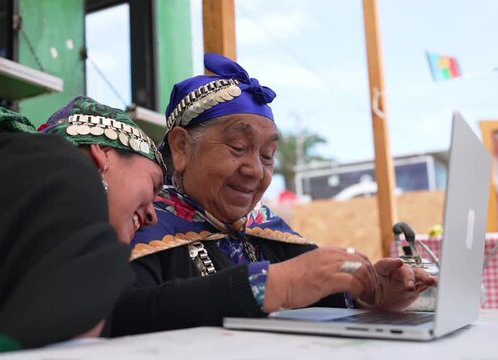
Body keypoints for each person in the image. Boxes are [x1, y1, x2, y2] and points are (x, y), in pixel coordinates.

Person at [107, 53, 436, 336]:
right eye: (238, 147)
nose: (255, 170)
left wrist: (369, 294)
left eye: (267, 156)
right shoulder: (143, 225)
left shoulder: (270, 232)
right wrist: (272, 285)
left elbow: (319, 294)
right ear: (180, 148)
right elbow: (117, 315)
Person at [0, 96, 165, 358]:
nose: (154, 214)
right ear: (102, 153)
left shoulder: (0, 183)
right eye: (153, 184)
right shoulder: (68, 172)